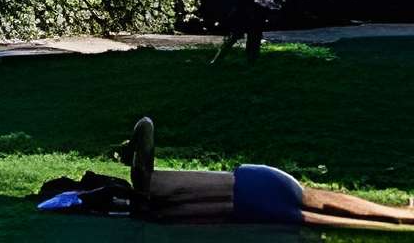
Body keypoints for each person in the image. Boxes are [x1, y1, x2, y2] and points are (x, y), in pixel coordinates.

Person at [44, 116, 414, 229]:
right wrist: (127, 150)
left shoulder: (153, 200)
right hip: (253, 183)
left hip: (250, 196)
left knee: (317, 214)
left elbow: (145, 129)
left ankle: (397, 220)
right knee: (318, 203)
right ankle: (399, 217)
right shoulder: (153, 193)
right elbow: (145, 127)